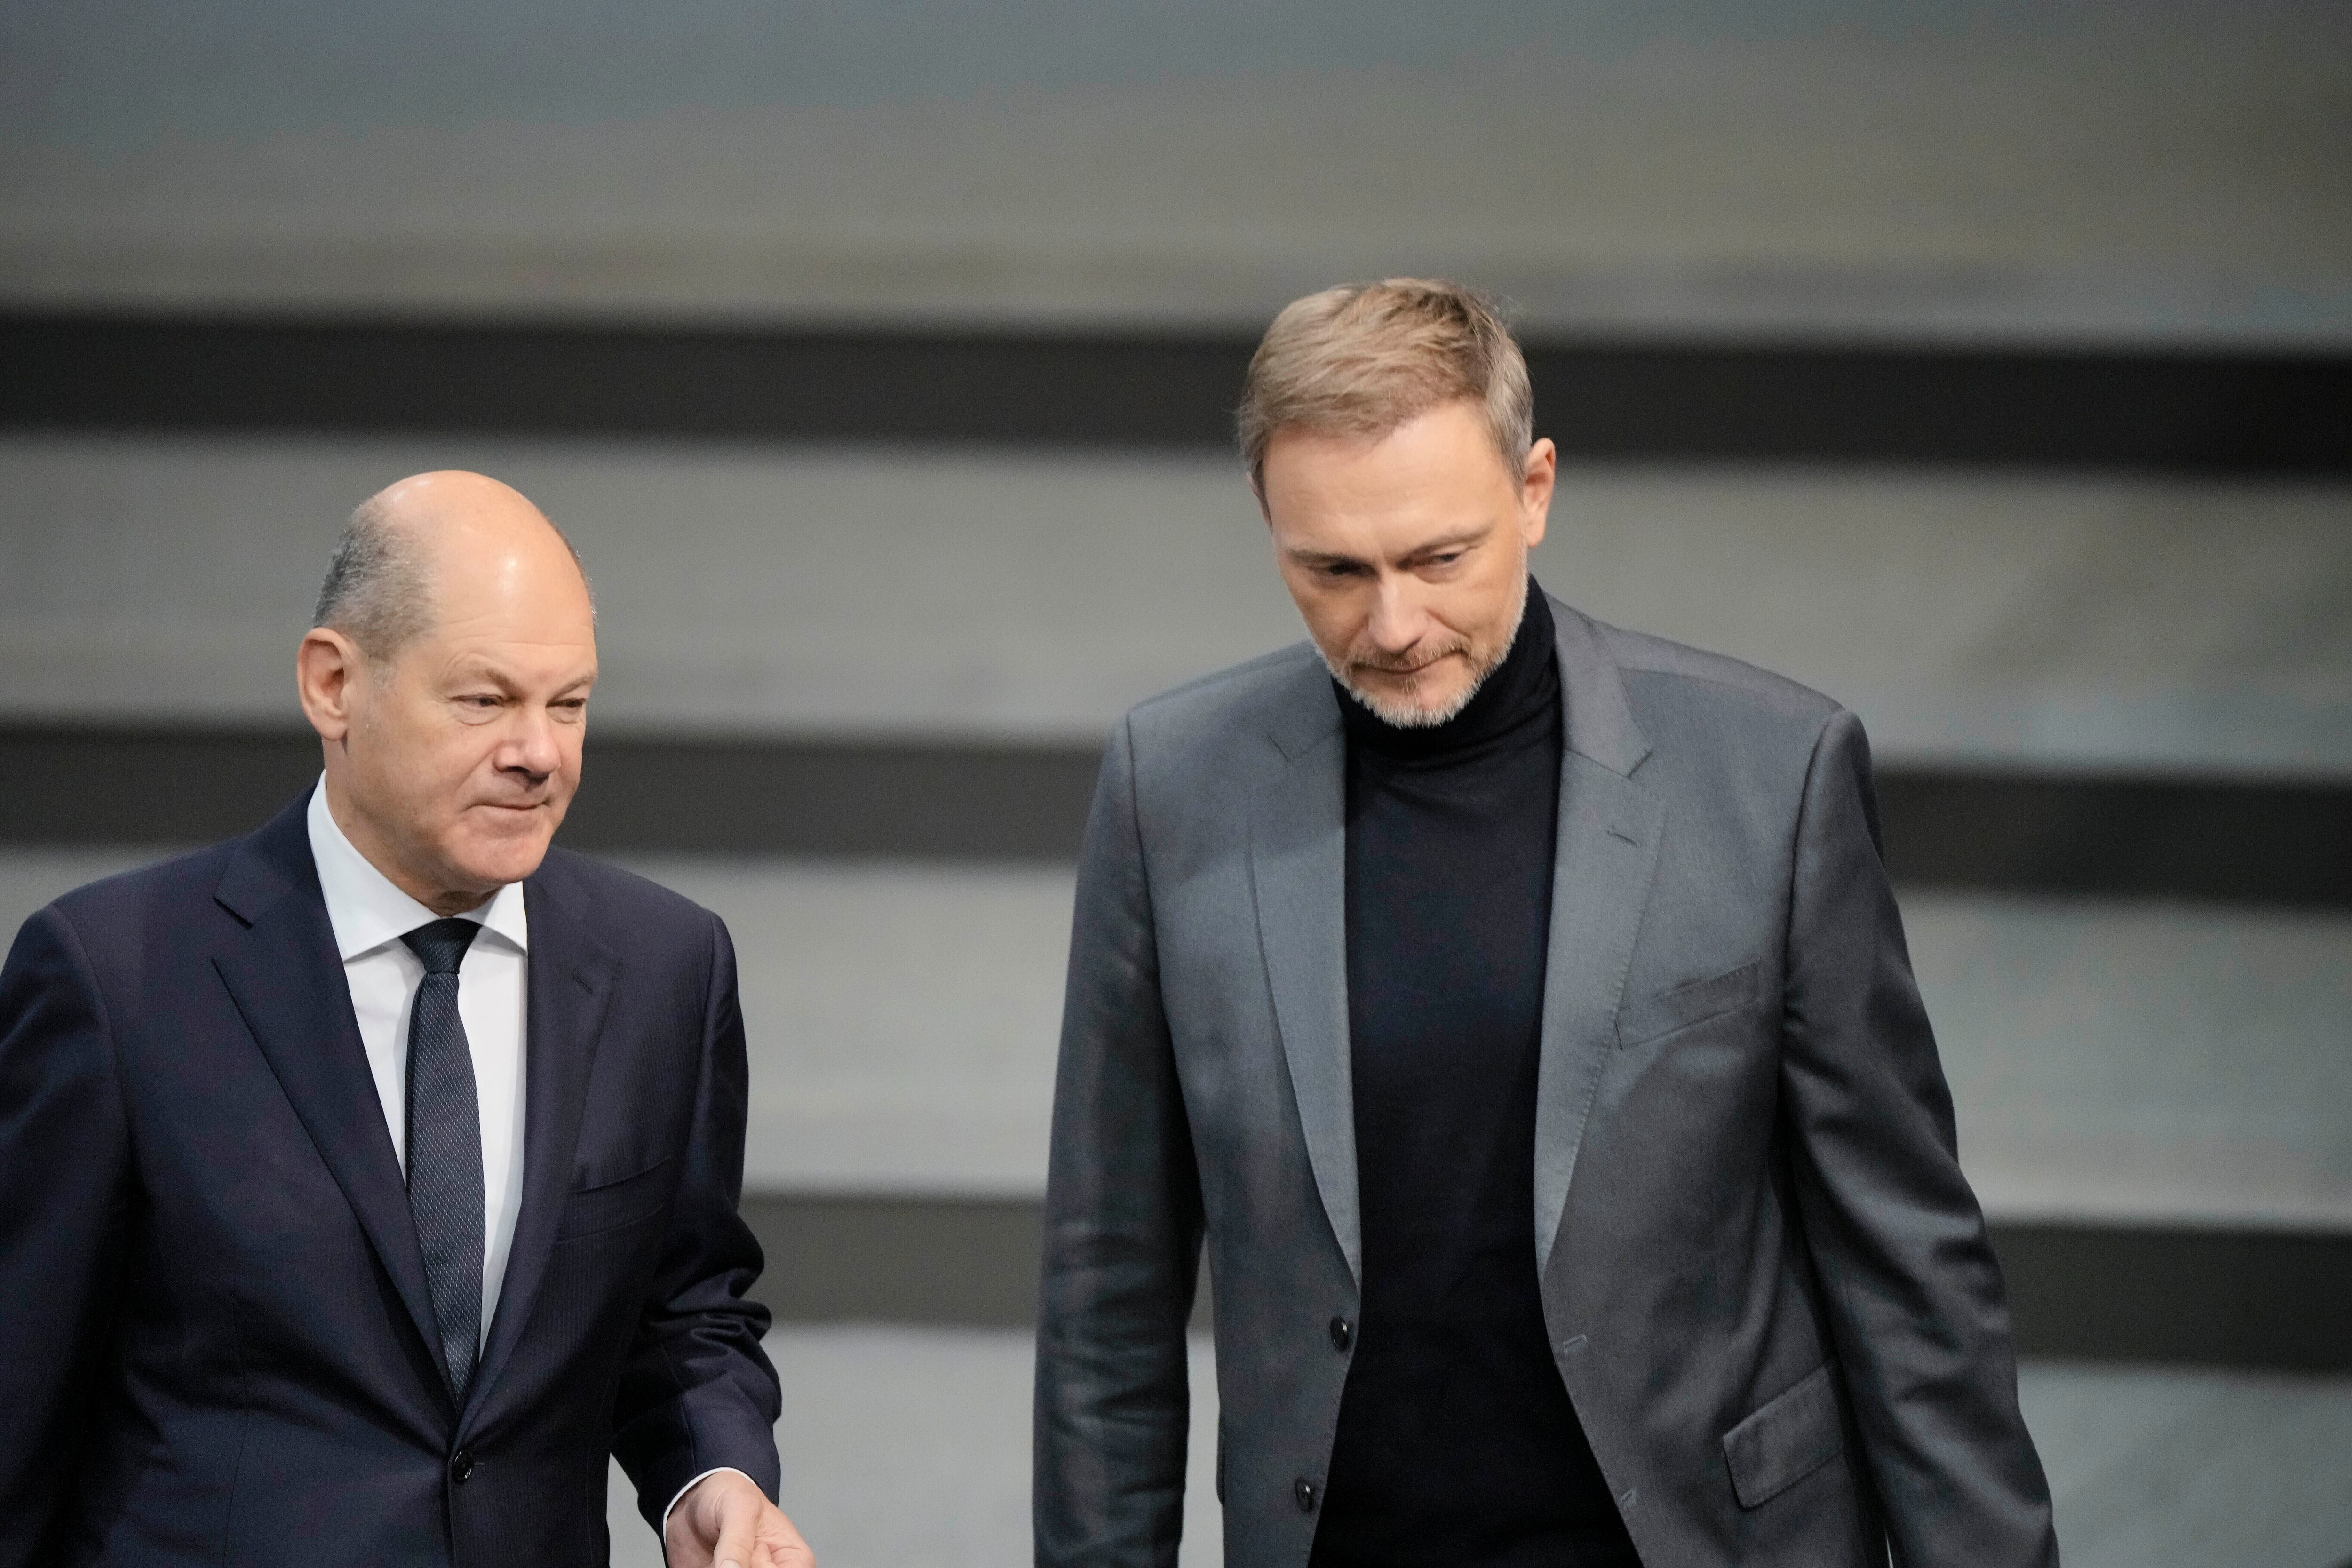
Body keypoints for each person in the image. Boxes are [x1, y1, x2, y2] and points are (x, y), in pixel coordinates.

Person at [1033, 281, 2057, 1568]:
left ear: (1535, 490)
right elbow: (1108, 1291)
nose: (1392, 624)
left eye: (1439, 558)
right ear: (1267, 520)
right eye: (1333, 569)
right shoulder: (1172, 788)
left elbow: (1909, 1273)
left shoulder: (1769, 775)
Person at [0, 472, 811, 1568]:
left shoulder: (665, 966)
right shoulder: (118, 977)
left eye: (569, 704)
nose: (539, 751)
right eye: (484, 700)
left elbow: (680, 1306)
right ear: (333, 683)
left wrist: (711, 1477)